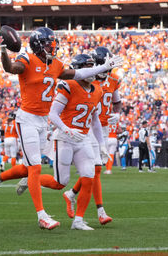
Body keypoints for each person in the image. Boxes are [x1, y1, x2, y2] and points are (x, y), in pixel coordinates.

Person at [0, 27, 123, 230]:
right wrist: (4, 51)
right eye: (49, 42)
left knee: (27, 168)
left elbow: (81, 73)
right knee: (35, 168)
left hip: (42, 122)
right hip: (27, 119)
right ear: (39, 44)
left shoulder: (57, 65)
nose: (53, 45)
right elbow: (11, 68)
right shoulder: (28, 59)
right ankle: (41, 215)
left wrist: (103, 67)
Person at [37, 54, 105, 230]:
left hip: (83, 139)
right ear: (78, 68)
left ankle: (78, 221)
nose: (91, 70)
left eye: (92, 66)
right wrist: (67, 129)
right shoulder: (68, 85)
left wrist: (102, 144)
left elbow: (96, 121)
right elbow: (52, 114)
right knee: (60, 182)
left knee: (89, 176)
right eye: (86, 66)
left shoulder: (97, 90)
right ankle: (32, 179)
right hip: (65, 139)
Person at [63, 47, 122, 225]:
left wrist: (117, 114)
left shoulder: (114, 80)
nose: (106, 71)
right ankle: (100, 211)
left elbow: (117, 102)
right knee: (95, 170)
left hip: (102, 129)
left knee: (94, 170)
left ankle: (71, 193)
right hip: (87, 128)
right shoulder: (87, 79)